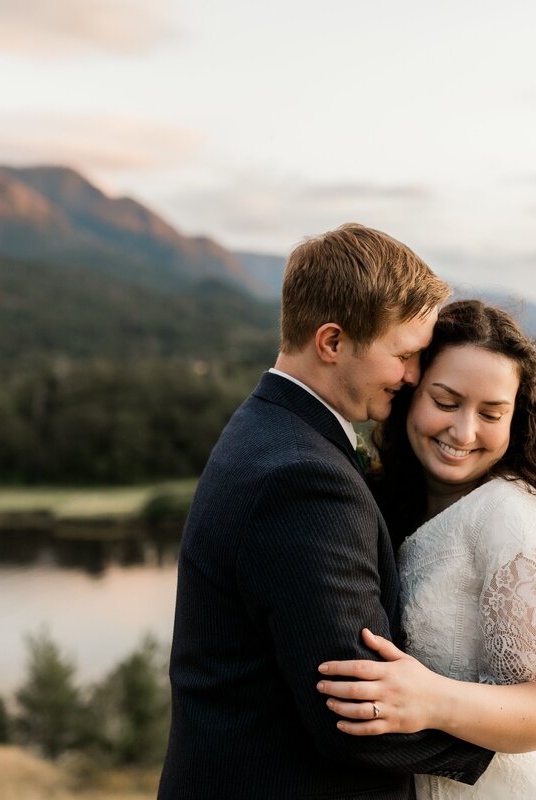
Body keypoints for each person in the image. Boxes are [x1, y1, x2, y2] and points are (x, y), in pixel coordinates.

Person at [157, 225, 494, 799]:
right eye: (405, 355)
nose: (413, 377)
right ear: (332, 342)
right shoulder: (303, 478)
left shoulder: (267, 427)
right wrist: (508, 734)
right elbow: (357, 718)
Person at [316, 300, 536, 799]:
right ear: (410, 392)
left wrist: (431, 700)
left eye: (491, 413)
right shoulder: (389, 500)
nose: (463, 433)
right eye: (445, 402)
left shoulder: (511, 514)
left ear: (517, 418)